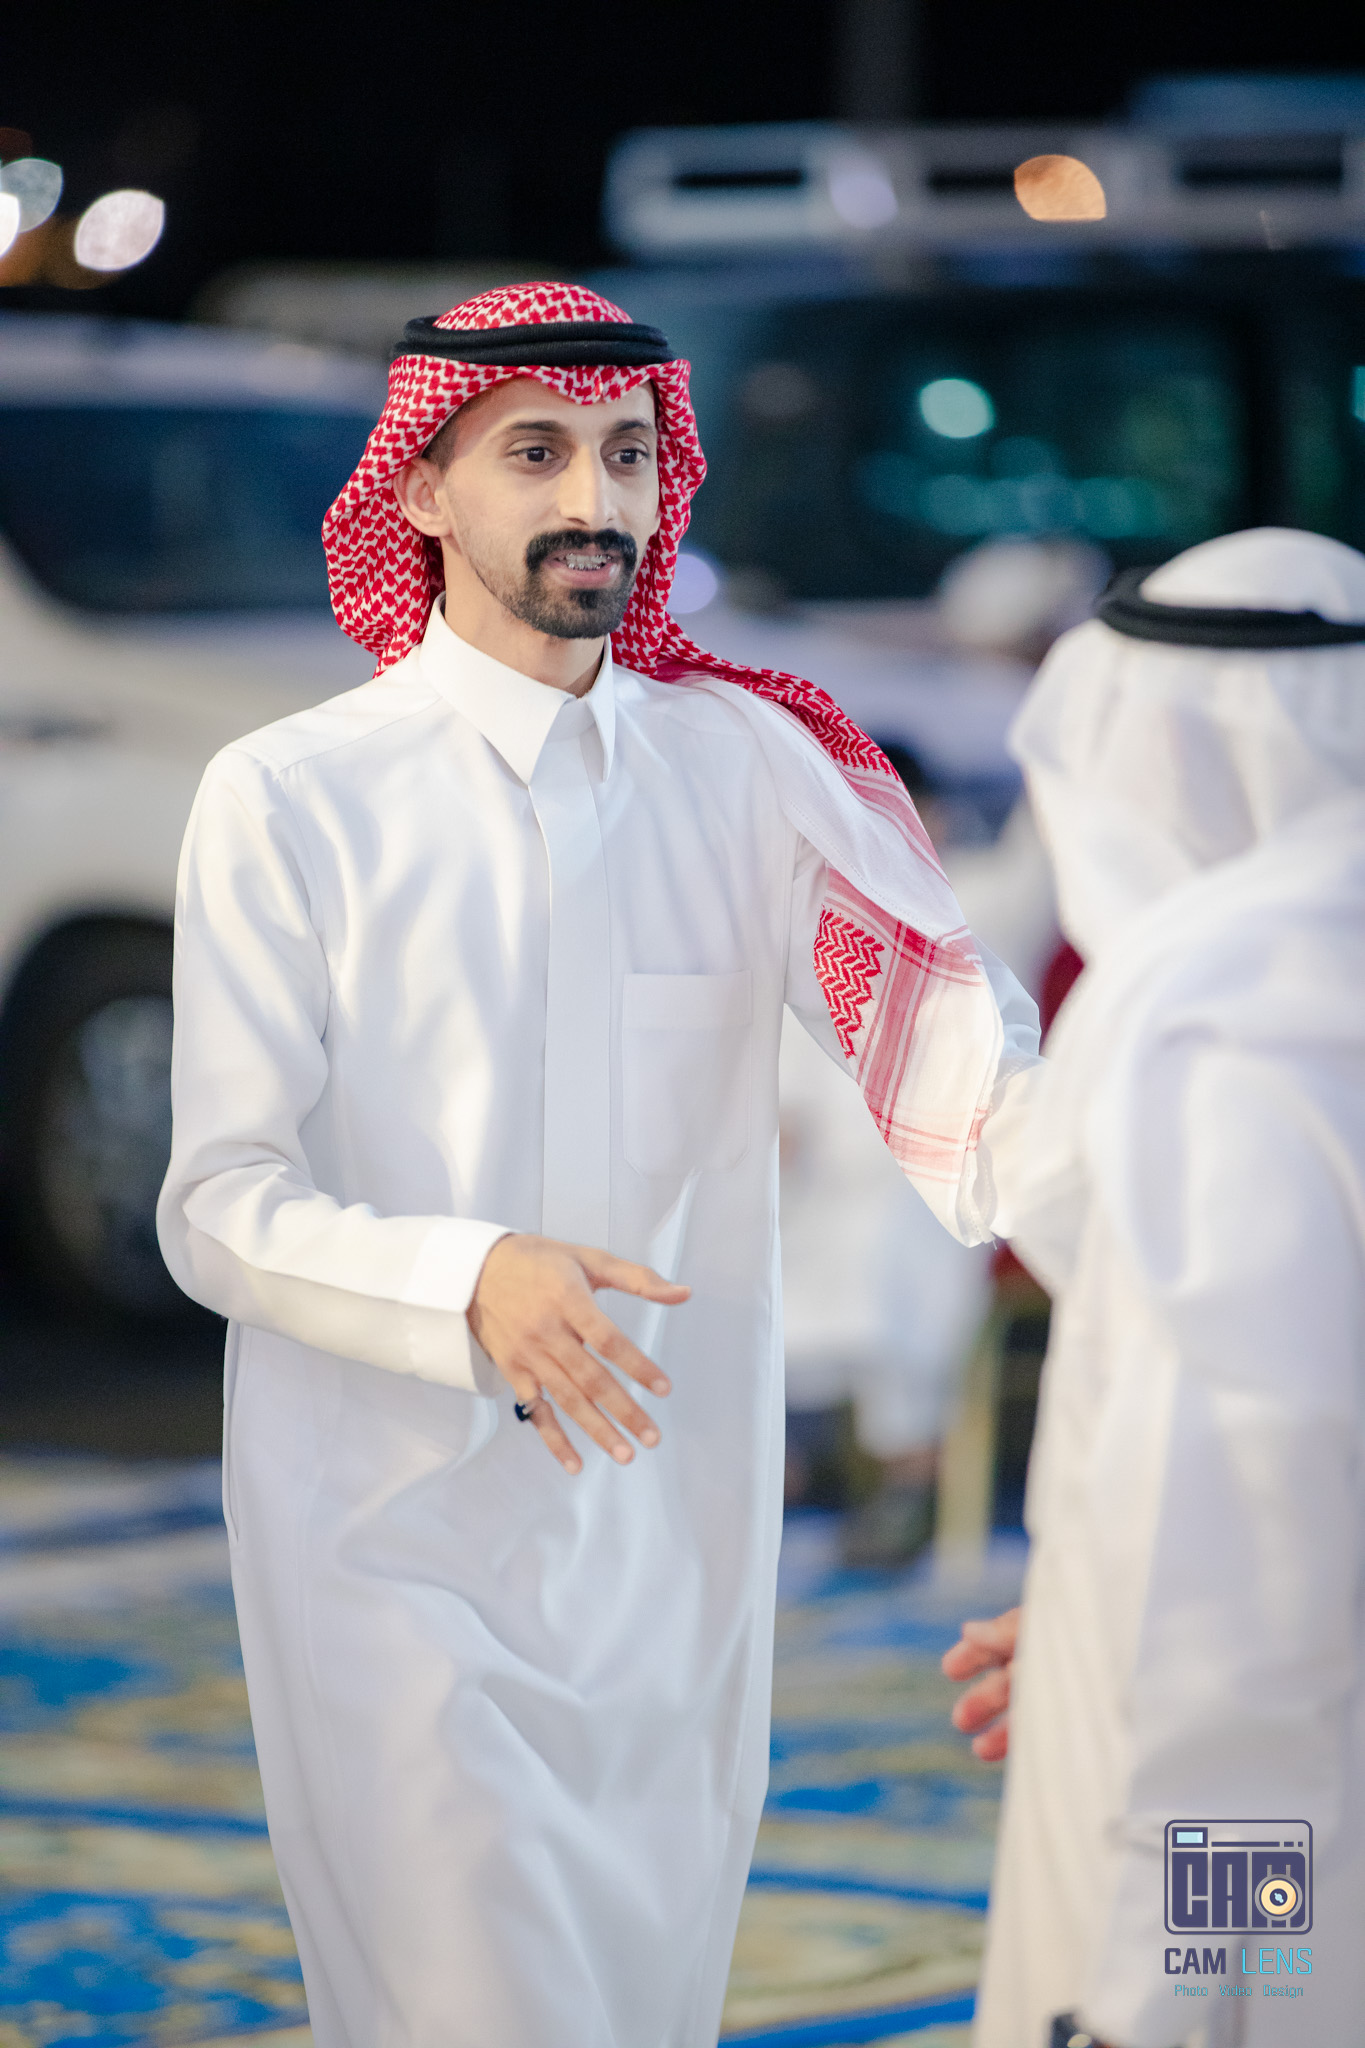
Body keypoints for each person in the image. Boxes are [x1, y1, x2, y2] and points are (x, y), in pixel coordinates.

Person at [156, 282, 1040, 2048]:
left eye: (628, 455)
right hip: (390, 1540)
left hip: (670, 1552)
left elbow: (966, 1083)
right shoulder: (293, 796)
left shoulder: (750, 771)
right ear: (420, 490)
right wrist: (468, 1274)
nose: (595, 500)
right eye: (537, 454)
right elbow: (215, 1205)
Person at [942, 528, 1365, 2047]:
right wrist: (1084, 1603)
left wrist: (1162, 1992)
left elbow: (1249, 1604)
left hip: (1236, 1834)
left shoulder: (1224, 1049)